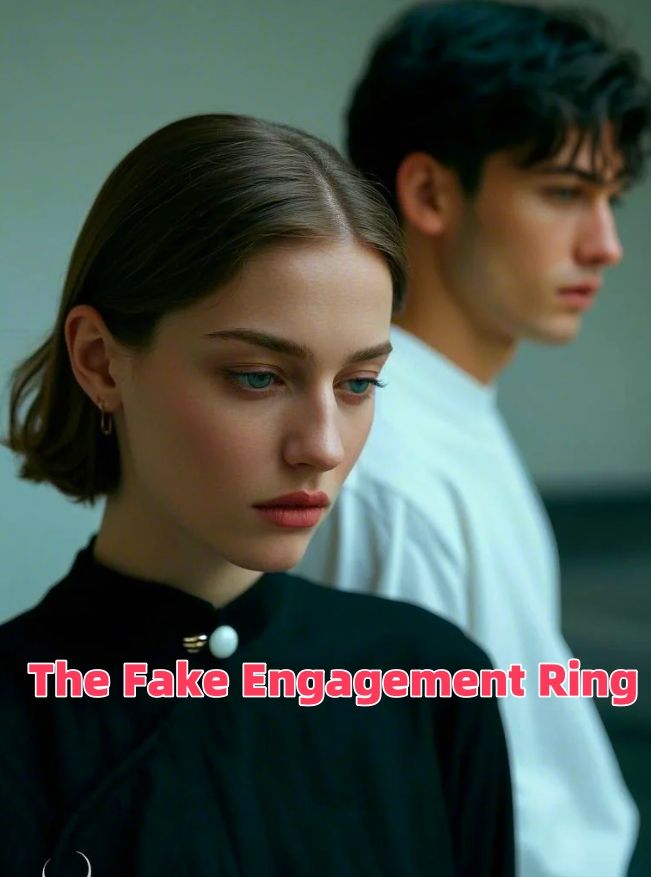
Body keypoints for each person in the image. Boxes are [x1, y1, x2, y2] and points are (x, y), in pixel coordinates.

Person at [0, 114, 514, 876]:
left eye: (358, 383)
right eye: (258, 376)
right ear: (100, 361)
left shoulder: (434, 681)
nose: (323, 446)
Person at [296, 3, 651, 875]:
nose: (604, 244)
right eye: (563, 192)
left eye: (609, 199)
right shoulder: (388, 470)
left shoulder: (446, 416)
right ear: (429, 194)